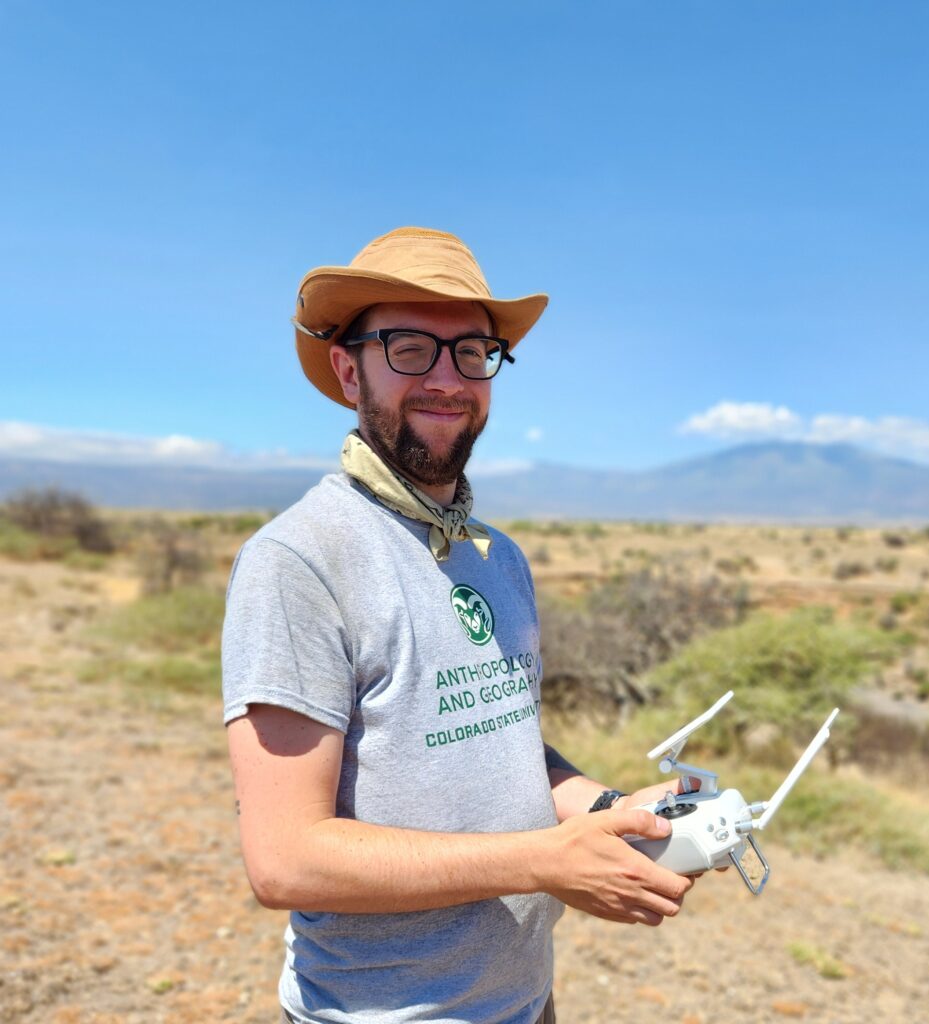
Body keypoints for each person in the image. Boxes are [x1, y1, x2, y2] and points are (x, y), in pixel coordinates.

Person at [222, 227, 695, 1024]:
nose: (448, 378)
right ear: (348, 370)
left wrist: (619, 813)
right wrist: (544, 863)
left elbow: (505, 749)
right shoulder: (299, 561)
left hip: (523, 1001)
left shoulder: (497, 557)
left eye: (472, 352)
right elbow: (284, 859)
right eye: (410, 347)